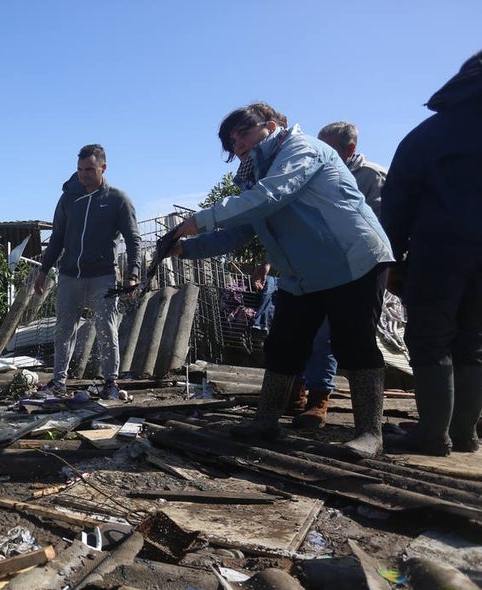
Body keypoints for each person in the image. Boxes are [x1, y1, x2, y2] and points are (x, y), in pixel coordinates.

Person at [167, 103, 394, 458]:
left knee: (355, 345)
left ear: (270, 126)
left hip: (352, 260)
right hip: (302, 273)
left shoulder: (301, 149)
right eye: (230, 140)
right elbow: (241, 230)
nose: (236, 144)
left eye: (242, 133)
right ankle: (266, 419)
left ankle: (369, 433)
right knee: (284, 345)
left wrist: (202, 218)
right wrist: (186, 249)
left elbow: (273, 196)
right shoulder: (253, 176)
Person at [380, 51, 482, 456]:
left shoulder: (429, 135)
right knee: (474, 340)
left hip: (440, 250)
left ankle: (433, 434)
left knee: (431, 339)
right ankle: (465, 434)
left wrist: (390, 259)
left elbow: (398, 202)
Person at [279, 121, 391, 429]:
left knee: (338, 338)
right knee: (308, 333)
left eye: (328, 148)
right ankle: (298, 393)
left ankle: (321, 400)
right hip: (321, 266)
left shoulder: (371, 176)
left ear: (349, 149)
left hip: (358, 268)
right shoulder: (315, 173)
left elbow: (380, 227)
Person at [34, 144, 142, 400]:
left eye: (90, 169)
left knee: (106, 328)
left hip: (103, 275)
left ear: (103, 167)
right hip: (70, 275)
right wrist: (43, 270)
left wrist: (133, 273)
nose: (83, 174)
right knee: (64, 330)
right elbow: (57, 237)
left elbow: (133, 238)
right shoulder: (68, 199)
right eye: (80, 169)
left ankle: (110, 383)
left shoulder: (117, 199)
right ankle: (59, 382)